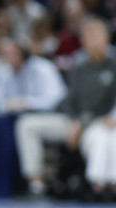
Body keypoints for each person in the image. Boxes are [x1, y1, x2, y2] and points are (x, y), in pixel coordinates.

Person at [15, 18, 116, 196]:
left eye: (96, 34)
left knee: (103, 137)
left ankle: (100, 186)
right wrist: (75, 121)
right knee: (27, 124)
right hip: (73, 122)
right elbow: (68, 100)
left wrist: (82, 123)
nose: (92, 39)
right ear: (82, 40)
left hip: (101, 122)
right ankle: (36, 185)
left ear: (107, 37)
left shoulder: (113, 65)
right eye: (88, 35)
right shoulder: (79, 66)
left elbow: (109, 105)